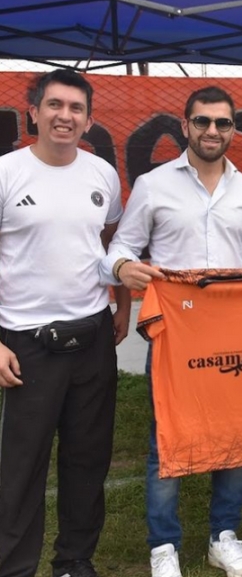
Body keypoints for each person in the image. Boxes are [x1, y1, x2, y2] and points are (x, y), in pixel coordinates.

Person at [101, 86, 242, 577]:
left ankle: (224, 537)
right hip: (176, 334)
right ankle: (163, 545)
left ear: (233, 130)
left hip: (237, 335)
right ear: (185, 126)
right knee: (167, 436)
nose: (212, 131)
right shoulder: (153, 185)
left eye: (222, 123)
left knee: (236, 430)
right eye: (202, 122)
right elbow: (121, 246)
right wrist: (124, 268)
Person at [0, 69, 129, 577]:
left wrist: (122, 305)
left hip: (92, 336)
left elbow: (112, 244)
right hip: (26, 343)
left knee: (87, 457)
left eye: (76, 108)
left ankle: (75, 560)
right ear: (34, 112)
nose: (65, 116)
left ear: (89, 120)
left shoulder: (101, 174)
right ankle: (14, 565)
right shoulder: (7, 172)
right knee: (22, 464)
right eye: (55, 105)